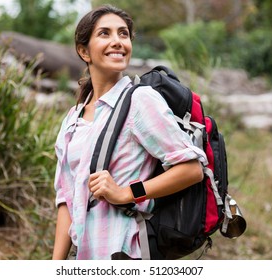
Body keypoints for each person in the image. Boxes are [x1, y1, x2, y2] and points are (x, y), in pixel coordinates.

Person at [52, 5, 206, 260]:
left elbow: (191, 169)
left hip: (124, 252)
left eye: (123, 34)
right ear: (84, 51)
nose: (117, 42)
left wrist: (126, 192)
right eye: (105, 34)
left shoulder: (140, 101)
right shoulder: (72, 119)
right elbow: (66, 201)